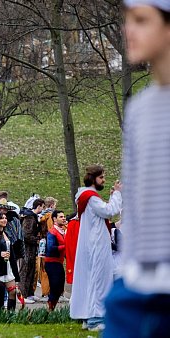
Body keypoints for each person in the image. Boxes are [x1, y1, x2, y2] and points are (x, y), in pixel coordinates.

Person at [104, 3, 170, 336]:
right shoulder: (139, 110)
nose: (128, 30)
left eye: (142, 20)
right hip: (136, 288)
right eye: (128, 19)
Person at [70, 165, 122, 331]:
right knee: (98, 280)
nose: (104, 180)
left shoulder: (88, 197)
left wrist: (113, 195)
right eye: (101, 177)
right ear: (93, 178)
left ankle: (87, 316)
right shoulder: (90, 196)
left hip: (92, 243)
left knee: (90, 279)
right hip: (96, 244)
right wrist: (118, 194)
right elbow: (109, 211)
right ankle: (95, 318)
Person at [19, 198, 45, 303]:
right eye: (42, 207)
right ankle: (22, 294)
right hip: (27, 248)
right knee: (25, 271)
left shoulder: (33, 217)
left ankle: (29, 293)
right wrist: (37, 240)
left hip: (32, 248)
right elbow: (26, 235)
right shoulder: (29, 218)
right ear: (38, 206)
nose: (43, 209)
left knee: (31, 270)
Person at [44, 210, 66, 311]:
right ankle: (50, 307)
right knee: (55, 286)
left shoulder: (62, 231)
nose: (64, 218)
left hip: (59, 262)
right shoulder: (52, 232)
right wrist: (65, 246)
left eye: (64, 216)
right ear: (54, 219)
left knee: (60, 286)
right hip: (52, 263)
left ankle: (52, 307)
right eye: (61, 217)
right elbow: (50, 247)